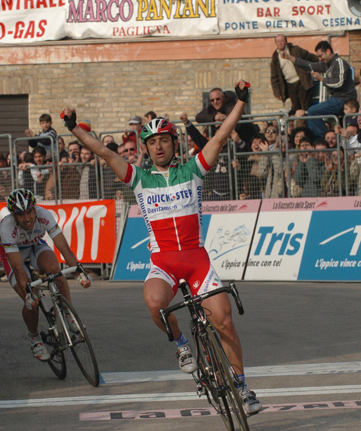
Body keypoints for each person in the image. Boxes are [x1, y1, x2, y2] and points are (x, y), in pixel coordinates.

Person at [60, 80, 262, 415]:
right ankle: (183, 345)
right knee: (155, 304)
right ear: (146, 147)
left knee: (224, 322)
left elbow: (221, 136)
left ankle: (243, 387)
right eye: (152, 142)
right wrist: (72, 128)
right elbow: (105, 152)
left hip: (197, 260)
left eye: (164, 140)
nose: (158, 147)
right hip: (164, 263)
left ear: (173, 143)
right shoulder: (139, 178)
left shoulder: (192, 170)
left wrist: (240, 101)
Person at [0, 189, 90, 361]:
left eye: (30, 211)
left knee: (54, 269)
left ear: (34, 208)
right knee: (32, 300)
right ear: (13, 216)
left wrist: (78, 272)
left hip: (34, 245)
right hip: (14, 255)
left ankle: (68, 314)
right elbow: (18, 267)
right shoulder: (6, 228)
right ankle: (35, 339)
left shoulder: (44, 215)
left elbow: (64, 248)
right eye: (21, 214)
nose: (27, 218)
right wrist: (28, 291)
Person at [281, 40, 357, 140]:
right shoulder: (327, 64)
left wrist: (321, 79)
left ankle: (325, 138)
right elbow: (309, 65)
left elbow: (339, 83)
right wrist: (289, 58)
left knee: (312, 111)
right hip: (336, 98)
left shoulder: (339, 62)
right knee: (312, 112)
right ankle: (326, 137)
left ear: (328, 51)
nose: (320, 59)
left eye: (321, 56)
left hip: (344, 99)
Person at [270, 34, 319, 115]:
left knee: (306, 107)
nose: (280, 43)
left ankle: (308, 125)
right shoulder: (275, 57)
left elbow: (309, 56)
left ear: (286, 41)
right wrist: (277, 92)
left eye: (281, 41)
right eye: (278, 41)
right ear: (276, 43)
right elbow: (274, 77)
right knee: (296, 108)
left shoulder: (295, 50)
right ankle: (298, 126)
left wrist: (321, 61)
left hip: (302, 82)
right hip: (290, 85)